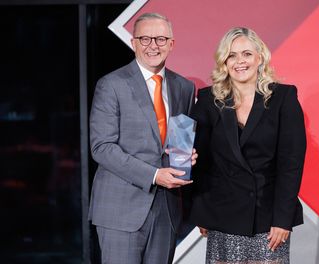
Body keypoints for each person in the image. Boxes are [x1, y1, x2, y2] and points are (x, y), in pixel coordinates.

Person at [189, 27, 306, 264]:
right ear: (224, 61)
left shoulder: (283, 98)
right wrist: (202, 210)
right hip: (222, 215)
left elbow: (290, 165)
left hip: (268, 218)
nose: (239, 61)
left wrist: (283, 219)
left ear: (259, 57)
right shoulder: (208, 100)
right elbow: (200, 162)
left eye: (246, 54)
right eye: (232, 55)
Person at [88, 13, 196, 264]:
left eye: (160, 39)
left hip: (166, 211)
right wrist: (155, 175)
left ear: (171, 44)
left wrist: (188, 156)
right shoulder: (111, 84)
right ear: (133, 43)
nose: (153, 46)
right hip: (120, 210)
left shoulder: (184, 87)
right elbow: (101, 147)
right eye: (145, 39)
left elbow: (180, 141)